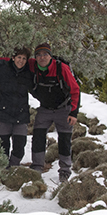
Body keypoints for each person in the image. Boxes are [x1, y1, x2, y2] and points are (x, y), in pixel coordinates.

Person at [27, 43, 80, 182]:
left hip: (64, 108)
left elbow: (75, 90)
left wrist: (74, 113)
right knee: (38, 136)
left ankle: (65, 171)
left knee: (64, 139)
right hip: (45, 108)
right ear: (35, 57)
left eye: (45, 54)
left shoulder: (61, 68)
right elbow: (13, 61)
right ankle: (37, 168)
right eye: (39, 55)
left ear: (50, 56)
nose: (42, 57)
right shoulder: (32, 65)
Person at [0, 47, 34, 167]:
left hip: (21, 114)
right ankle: (3, 169)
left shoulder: (28, 73)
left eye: (24, 58)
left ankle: (13, 167)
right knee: (3, 146)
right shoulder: (3, 70)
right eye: (19, 57)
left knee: (20, 146)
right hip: (3, 114)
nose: (21, 61)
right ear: (13, 58)